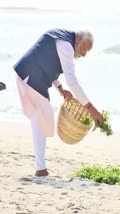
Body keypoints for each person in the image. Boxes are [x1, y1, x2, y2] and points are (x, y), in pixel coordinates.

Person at [14, 29, 104, 177]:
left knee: (40, 120)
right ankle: (41, 169)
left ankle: (41, 168)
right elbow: (72, 80)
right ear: (79, 40)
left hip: (29, 74)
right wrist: (91, 109)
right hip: (30, 76)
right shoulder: (66, 46)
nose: (83, 54)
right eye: (84, 50)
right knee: (42, 119)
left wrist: (61, 89)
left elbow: (46, 63)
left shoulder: (62, 39)